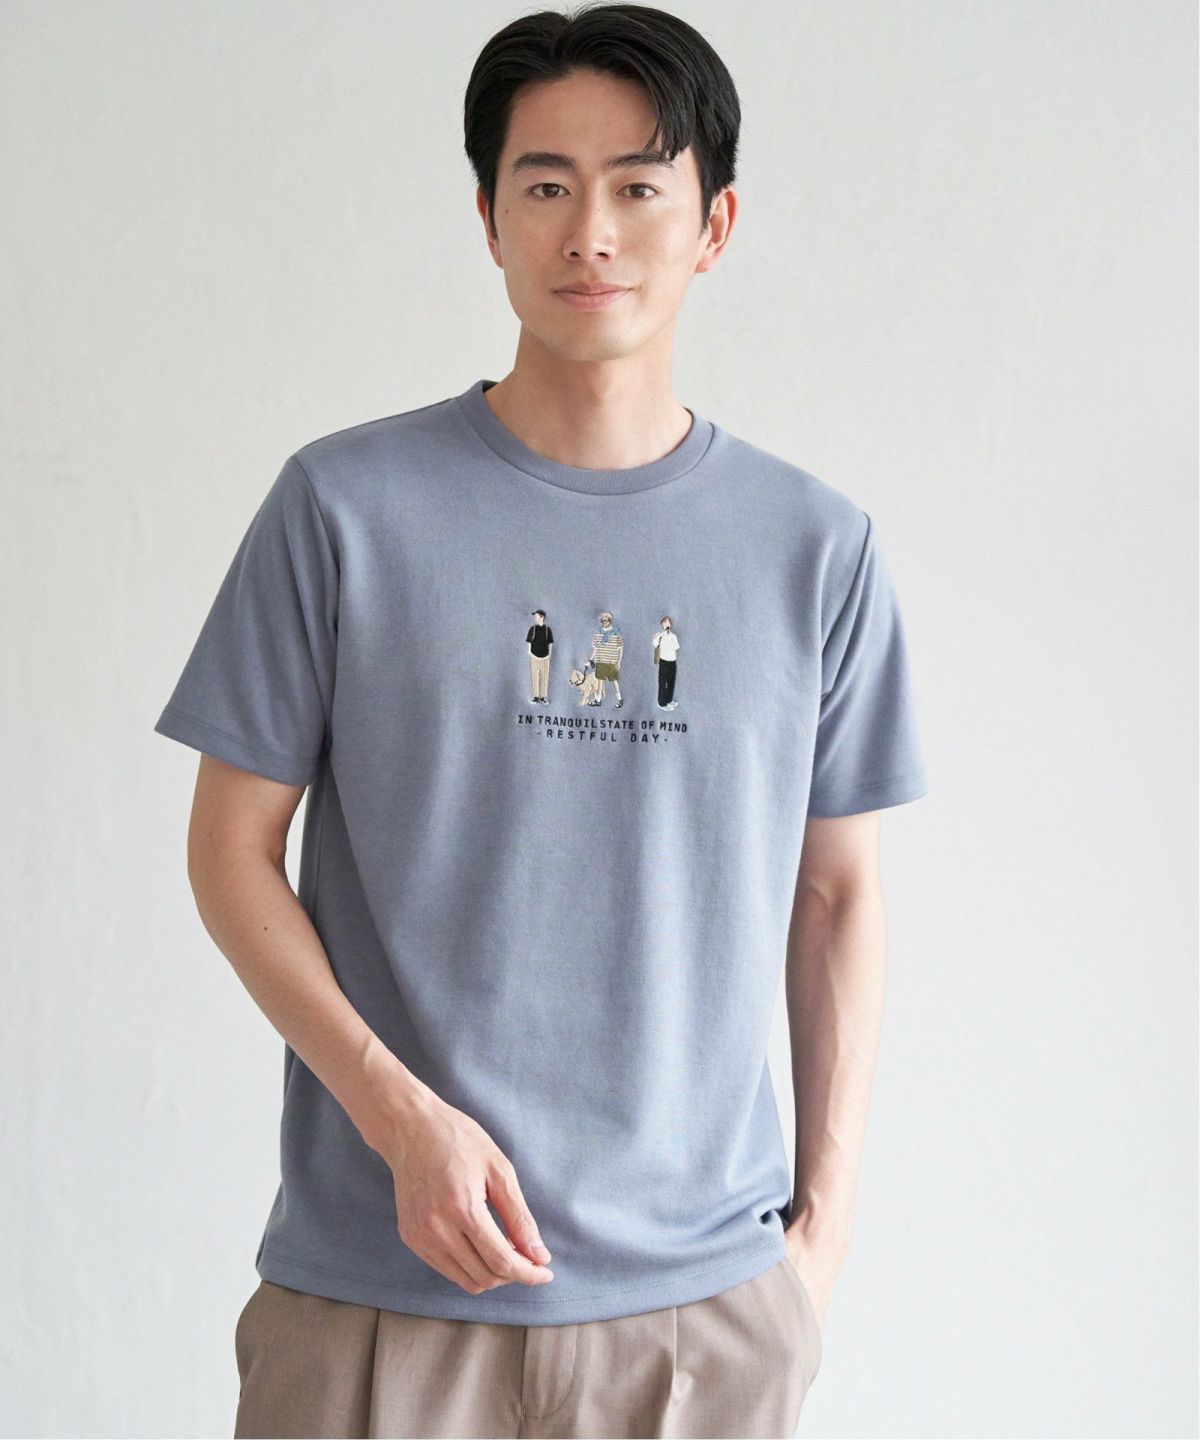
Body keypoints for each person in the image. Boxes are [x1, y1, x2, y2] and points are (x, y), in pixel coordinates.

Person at [153, 5, 928, 1436]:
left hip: (702, 1315)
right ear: (489, 218)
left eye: (639, 187)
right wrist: (399, 1117)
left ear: (714, 225)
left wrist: (818, 1245)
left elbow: (837, 897)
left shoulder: (816, 550)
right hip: (379, 1296)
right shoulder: (343, 510)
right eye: (547, 185)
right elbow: (227, 851)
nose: (592, 234)